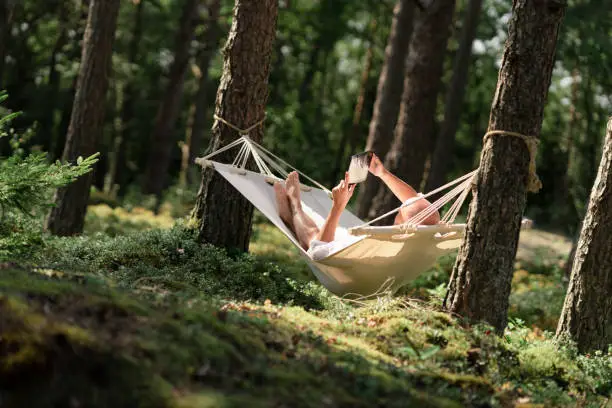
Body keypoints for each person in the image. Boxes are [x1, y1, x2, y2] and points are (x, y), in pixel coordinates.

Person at [274, 154, 439, 260]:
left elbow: (318, 250)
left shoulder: (390, 253)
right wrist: (382, 173)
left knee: (313, 237)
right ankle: (291, 215)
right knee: (419, 207)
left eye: (404, 209)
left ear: (404, 223)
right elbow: (416, 206)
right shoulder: (426, 237)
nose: (403, 204)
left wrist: (338, 206)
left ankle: (294, 208)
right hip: (363, 243)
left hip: (355, 253)